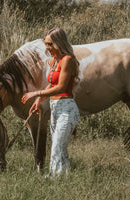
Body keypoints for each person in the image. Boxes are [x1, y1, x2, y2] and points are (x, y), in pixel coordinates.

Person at [21, 28, 80, 177]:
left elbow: (61, 87)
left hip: (67, 109)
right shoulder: (55, 60)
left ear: (59, 43)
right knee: (61, 149)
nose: (47, 48)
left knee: (56, 149)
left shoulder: (67, 60)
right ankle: (65, 179)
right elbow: (52, 84)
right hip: (55, 108)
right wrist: (39, 100)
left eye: (50, 44)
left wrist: (36, 93)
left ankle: (54, 180)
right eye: (46, 44)